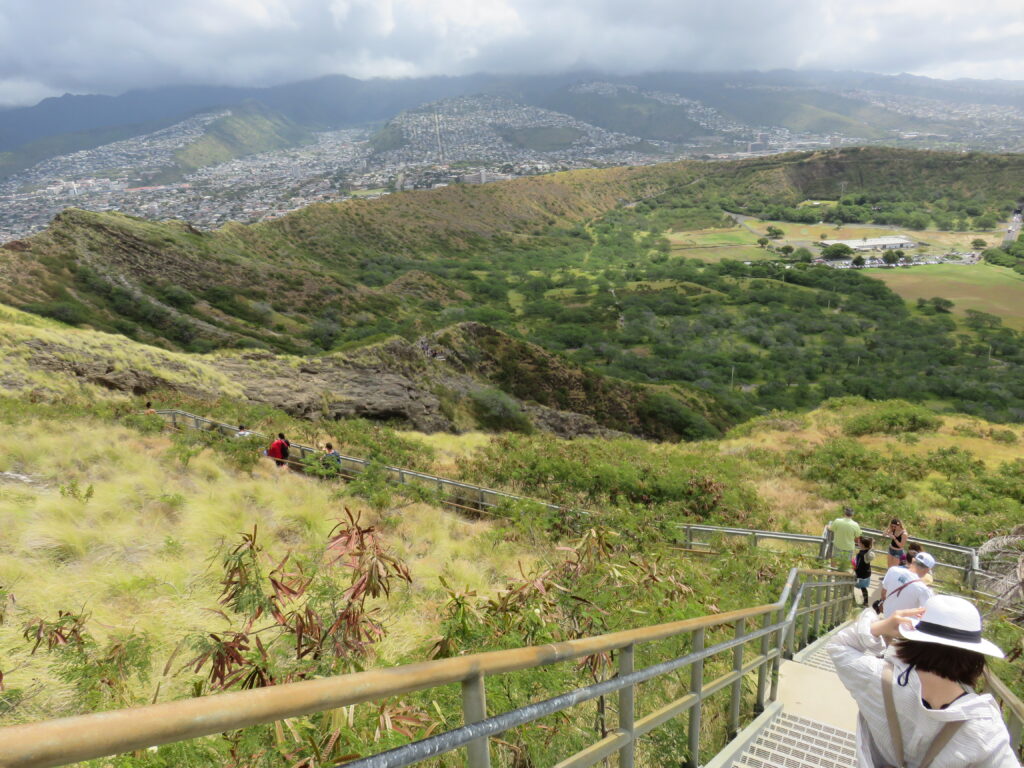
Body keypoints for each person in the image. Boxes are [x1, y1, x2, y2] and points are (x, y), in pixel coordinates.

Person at [828, 597, 1019, 768]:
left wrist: (882, 625)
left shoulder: (877, 678)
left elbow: (838, 645)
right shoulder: (985, 726)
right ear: (973, 655)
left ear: (912, 639)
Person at [879, 552, 935, 618]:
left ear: (913, 560)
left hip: (887, 618)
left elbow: (883, 593)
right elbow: (929, 612)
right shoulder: (923, 589)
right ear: (927, 570)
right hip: (905, 625)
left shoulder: (893, 570)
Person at [828, 506, 862, 571]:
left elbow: (831, 529)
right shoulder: (855, 524)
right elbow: (858, 537)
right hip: (849, 547)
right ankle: (842, 576)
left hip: (838, 544)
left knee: (834, 558)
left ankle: (832, 572)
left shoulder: (837, 521)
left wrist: (828, 526)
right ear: (852, 515)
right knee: (845, 563)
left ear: (844, 513)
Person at [854, 536, 875, 606]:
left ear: (862, 545)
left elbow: (858, 565)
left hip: (860, 573)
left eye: (859, 542)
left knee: (851, 584)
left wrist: (855, 571)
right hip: (867, 572)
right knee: (863, 587)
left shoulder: (861, 555)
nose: (858, 543)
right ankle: (866, 602)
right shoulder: (868, 552)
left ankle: (852, 599)